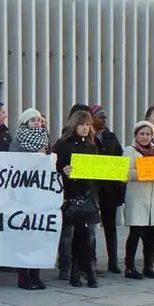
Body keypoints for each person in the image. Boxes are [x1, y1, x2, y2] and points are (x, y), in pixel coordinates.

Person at [52, 110, 100, 288]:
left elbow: (97, 171)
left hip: (88, 195)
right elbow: (54, 166)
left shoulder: (92, 145)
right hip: (70, 195)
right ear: (74, 125)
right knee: (70, 236)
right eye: (82, 124)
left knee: (87, 235)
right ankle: (71, 270)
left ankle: (88, 270)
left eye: (88, 124)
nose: (85, 128)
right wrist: (63, 170)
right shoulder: (63, 144)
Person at [11, 108, 50, 290]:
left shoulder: (45, 140)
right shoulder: (17, 142)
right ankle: (23, 276)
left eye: (39, 120)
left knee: (38, 235)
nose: (37, 123)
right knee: (23, 236)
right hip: (22, 195)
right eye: (33, 120)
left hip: (39, 195)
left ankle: (36, 274)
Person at [122, 120, 154, 280]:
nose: (145, 137)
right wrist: (146, 172)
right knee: (135, 232)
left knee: (151, 234)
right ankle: (130, 267)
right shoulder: (129, 151)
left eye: (148, 134)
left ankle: (148, 266)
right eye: (142, 134)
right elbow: (125, 173)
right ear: (136, 135)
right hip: (138, 197)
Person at [90, 105, 125, 274]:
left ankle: (113, 261)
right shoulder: (88, 138)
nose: (104, 120)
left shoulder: (111, 137)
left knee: (111, 227)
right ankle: (92, 261)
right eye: (100, 117)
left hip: (110, 189)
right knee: (92, 227)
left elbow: (119, 157)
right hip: (95, 189)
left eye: (105, 117)